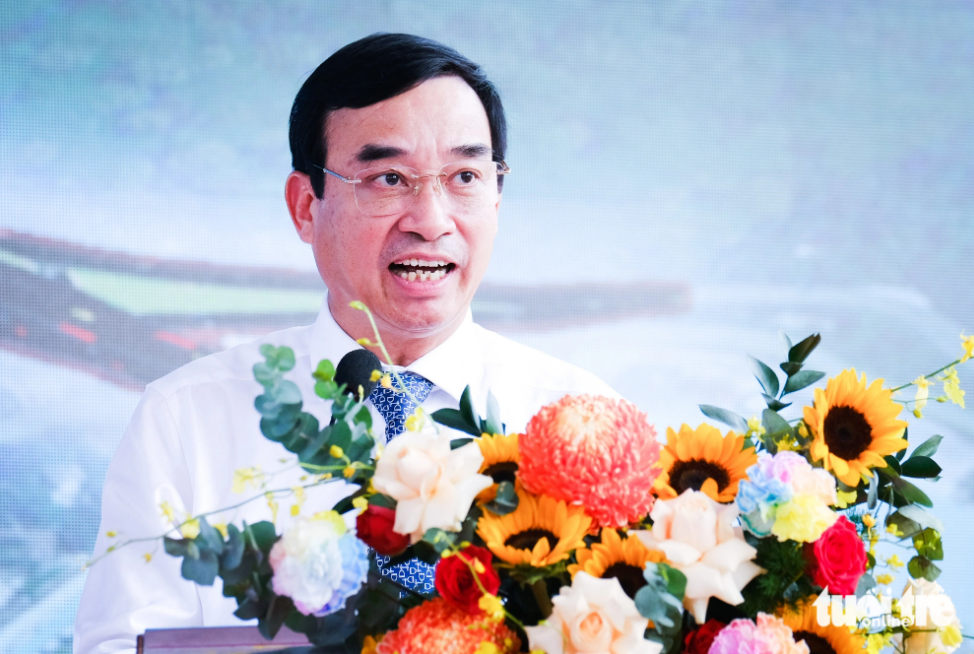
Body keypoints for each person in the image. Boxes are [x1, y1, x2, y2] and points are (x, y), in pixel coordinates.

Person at [73, 33, 617, 653]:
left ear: (497, 193)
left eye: (465, 175)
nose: (432, 219)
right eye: (388, 178)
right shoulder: (184, 420)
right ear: (306, 206)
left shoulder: (581, 422)